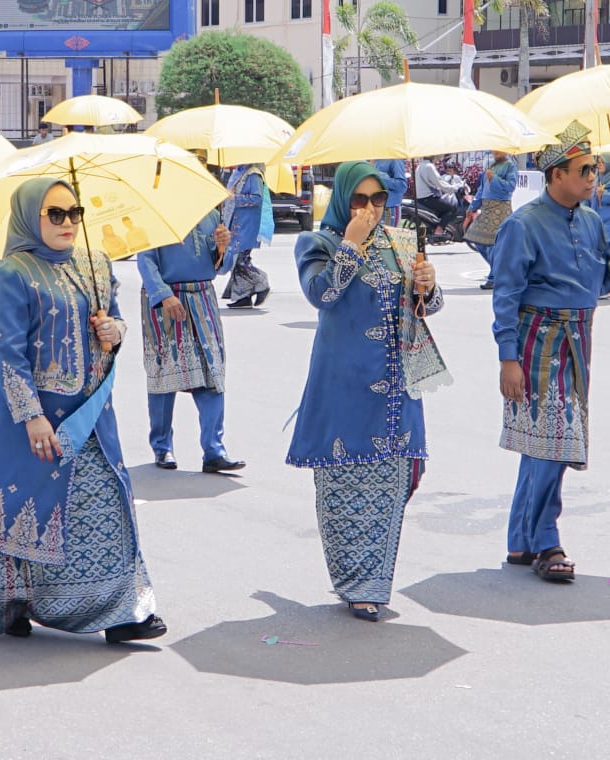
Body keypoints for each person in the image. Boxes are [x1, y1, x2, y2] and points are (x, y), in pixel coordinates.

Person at [0, 177, 165, 644]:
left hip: (90, 414)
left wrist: (113, 330)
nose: (68, 222)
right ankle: (14, 601)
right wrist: (31, 414)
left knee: (102, 503)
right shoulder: (6, 273)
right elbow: (5, 353)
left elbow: (113, 325)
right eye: (55, 214)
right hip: (27, 418)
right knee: (22, 510)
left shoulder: (96, 264)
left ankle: (121, 611)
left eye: (74, 213)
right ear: (30, 217)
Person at [286, 161, 450, 622]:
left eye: (379, 200)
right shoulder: (316, 243)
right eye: (360, 200)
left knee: (392, 483)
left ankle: (375, 582)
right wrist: (351, 246)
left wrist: (428, 286)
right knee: (342, 481)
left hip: (396, 390)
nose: (371, 209)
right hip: (343, 385)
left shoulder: (400, 243)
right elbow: (321, 295)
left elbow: (425, 307)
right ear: (342, 200)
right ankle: (355, 582)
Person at [489, 120, 610, 583]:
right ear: (555, 174)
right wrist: (508, 358)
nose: (593, 178)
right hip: (538, 341)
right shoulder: (522, 225)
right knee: (553, 445)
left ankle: (520, 540)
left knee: (542, 447)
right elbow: (505, 296)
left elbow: (600, 285)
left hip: (579, 339)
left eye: (595, 169)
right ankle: (546, 542)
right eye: (583, 170)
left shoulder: (594, 221)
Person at [138, 207, 244, 473]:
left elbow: (221, 267)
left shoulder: (210, 213)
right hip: (167, 300)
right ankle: (162, 448)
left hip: (203, 296)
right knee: (164, 374)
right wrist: (163, 295)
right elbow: (146, 260)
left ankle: (214, 450)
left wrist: (222, 249)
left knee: (213, 372)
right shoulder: (152, 214)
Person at [221, 163, 274, 308]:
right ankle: (243, 296)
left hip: (246, 225)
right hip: (236, 223)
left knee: (240, 260)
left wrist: (235, 198)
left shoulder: (253, 174)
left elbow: (256, 198)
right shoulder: (238, 172)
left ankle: (262, 282)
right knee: (237, 261)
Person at [465, 150, 518, 289]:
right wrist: (473, 206)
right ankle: (499, 271)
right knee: (477, 240)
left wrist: (494, 179)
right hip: (487, 209)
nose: (496, 152)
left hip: (500, 209)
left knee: (494, 245)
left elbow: (510, 187)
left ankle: (494, 277)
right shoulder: (491, 166)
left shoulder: (510, 166)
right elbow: (481, 189)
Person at [415, 156, 460, 232]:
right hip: (428, 198)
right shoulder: (429, 166)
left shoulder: (420, 166)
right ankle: (439, 231)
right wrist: (454, 188)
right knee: (451, 208)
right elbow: (440, 183)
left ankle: (435, 227)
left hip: (421, 198)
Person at [373, 159, 408, 227]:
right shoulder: (371, 159)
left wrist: (380, 177)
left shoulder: (394, 160)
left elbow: (402, 186)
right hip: (373, 207)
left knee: (386, 237)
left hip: (388, 209)